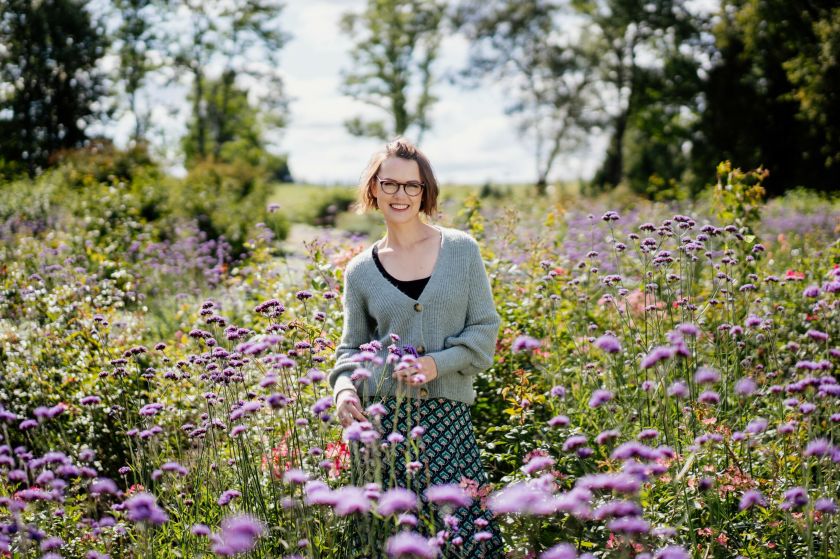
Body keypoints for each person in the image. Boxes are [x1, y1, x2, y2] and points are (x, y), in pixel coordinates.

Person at [328, 137, 504, 557]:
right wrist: (344, 389)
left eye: (412, 186)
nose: (400, 195)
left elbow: (484, 331)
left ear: (425, 192)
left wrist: (435, 364)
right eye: (390, 184)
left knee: (462, 539)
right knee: (388, 543)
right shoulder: (360, 272)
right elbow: (350, 349)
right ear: (374, 189)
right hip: (383, 428)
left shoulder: (461, 251)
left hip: (447, 424)